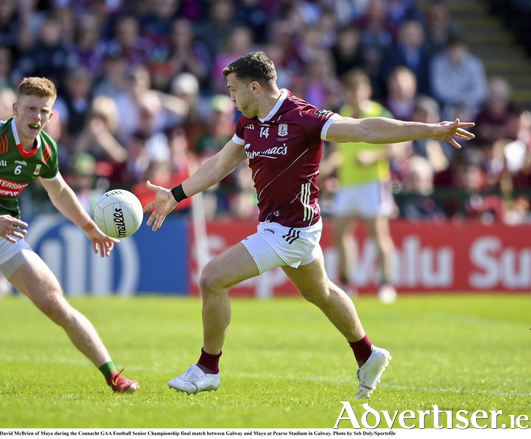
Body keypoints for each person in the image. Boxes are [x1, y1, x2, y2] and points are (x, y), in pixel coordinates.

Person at [143, 52, 473, 398]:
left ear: (255, 87)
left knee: (212, 278)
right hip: (283, 226)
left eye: (233, 90)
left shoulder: (304, 117)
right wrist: (176, 194)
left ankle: (207, 369)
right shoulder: (248, 121)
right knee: (320, 292)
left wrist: (430, 131)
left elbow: (364, 128)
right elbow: (220, 164)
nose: (231, 99)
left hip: (291, 231)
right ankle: (368, 354)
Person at [0, 77, 139, 394]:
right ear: (15, 109)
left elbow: (60, 193)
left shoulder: (46, 149)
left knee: (55, 303)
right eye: (30, 109)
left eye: (44, 111)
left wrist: (90, 228)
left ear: (52, 116)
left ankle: (113, 376)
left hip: (5, 235)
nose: (36, 117)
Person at [330, 69, 400, 303]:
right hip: (347, 185)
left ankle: (386, 283)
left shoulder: (379, 113)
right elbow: (338, 153)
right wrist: (324, 170)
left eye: (358, 91)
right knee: (340, 233)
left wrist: (372, 157)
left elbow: (398, 147)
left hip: (373, 183)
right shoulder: (344, 114)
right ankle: (348, 282)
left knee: (378, 235)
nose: (354, 96)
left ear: (367, 91)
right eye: (350, 91)